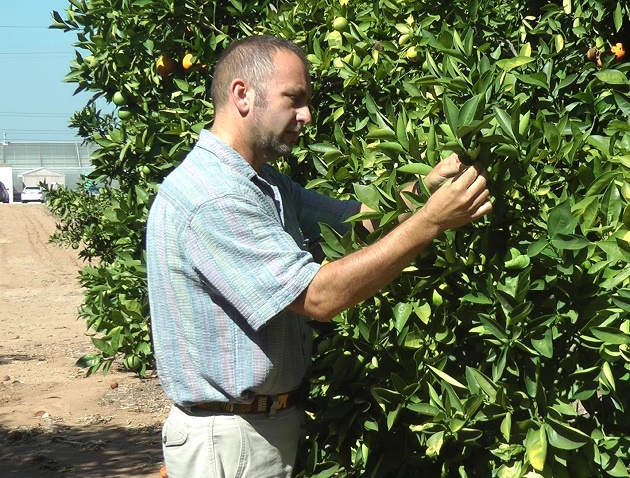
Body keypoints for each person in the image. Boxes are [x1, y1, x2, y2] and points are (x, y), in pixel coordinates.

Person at [145, 35, 491, 478]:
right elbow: (319, 297)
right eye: (295, 99)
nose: (306, 116)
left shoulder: (263, 184)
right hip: (229, 443)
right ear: (242, 94)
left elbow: (353, 220)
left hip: (257, 429)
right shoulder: (214, 197)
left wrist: (424, 188)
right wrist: (430, 222)